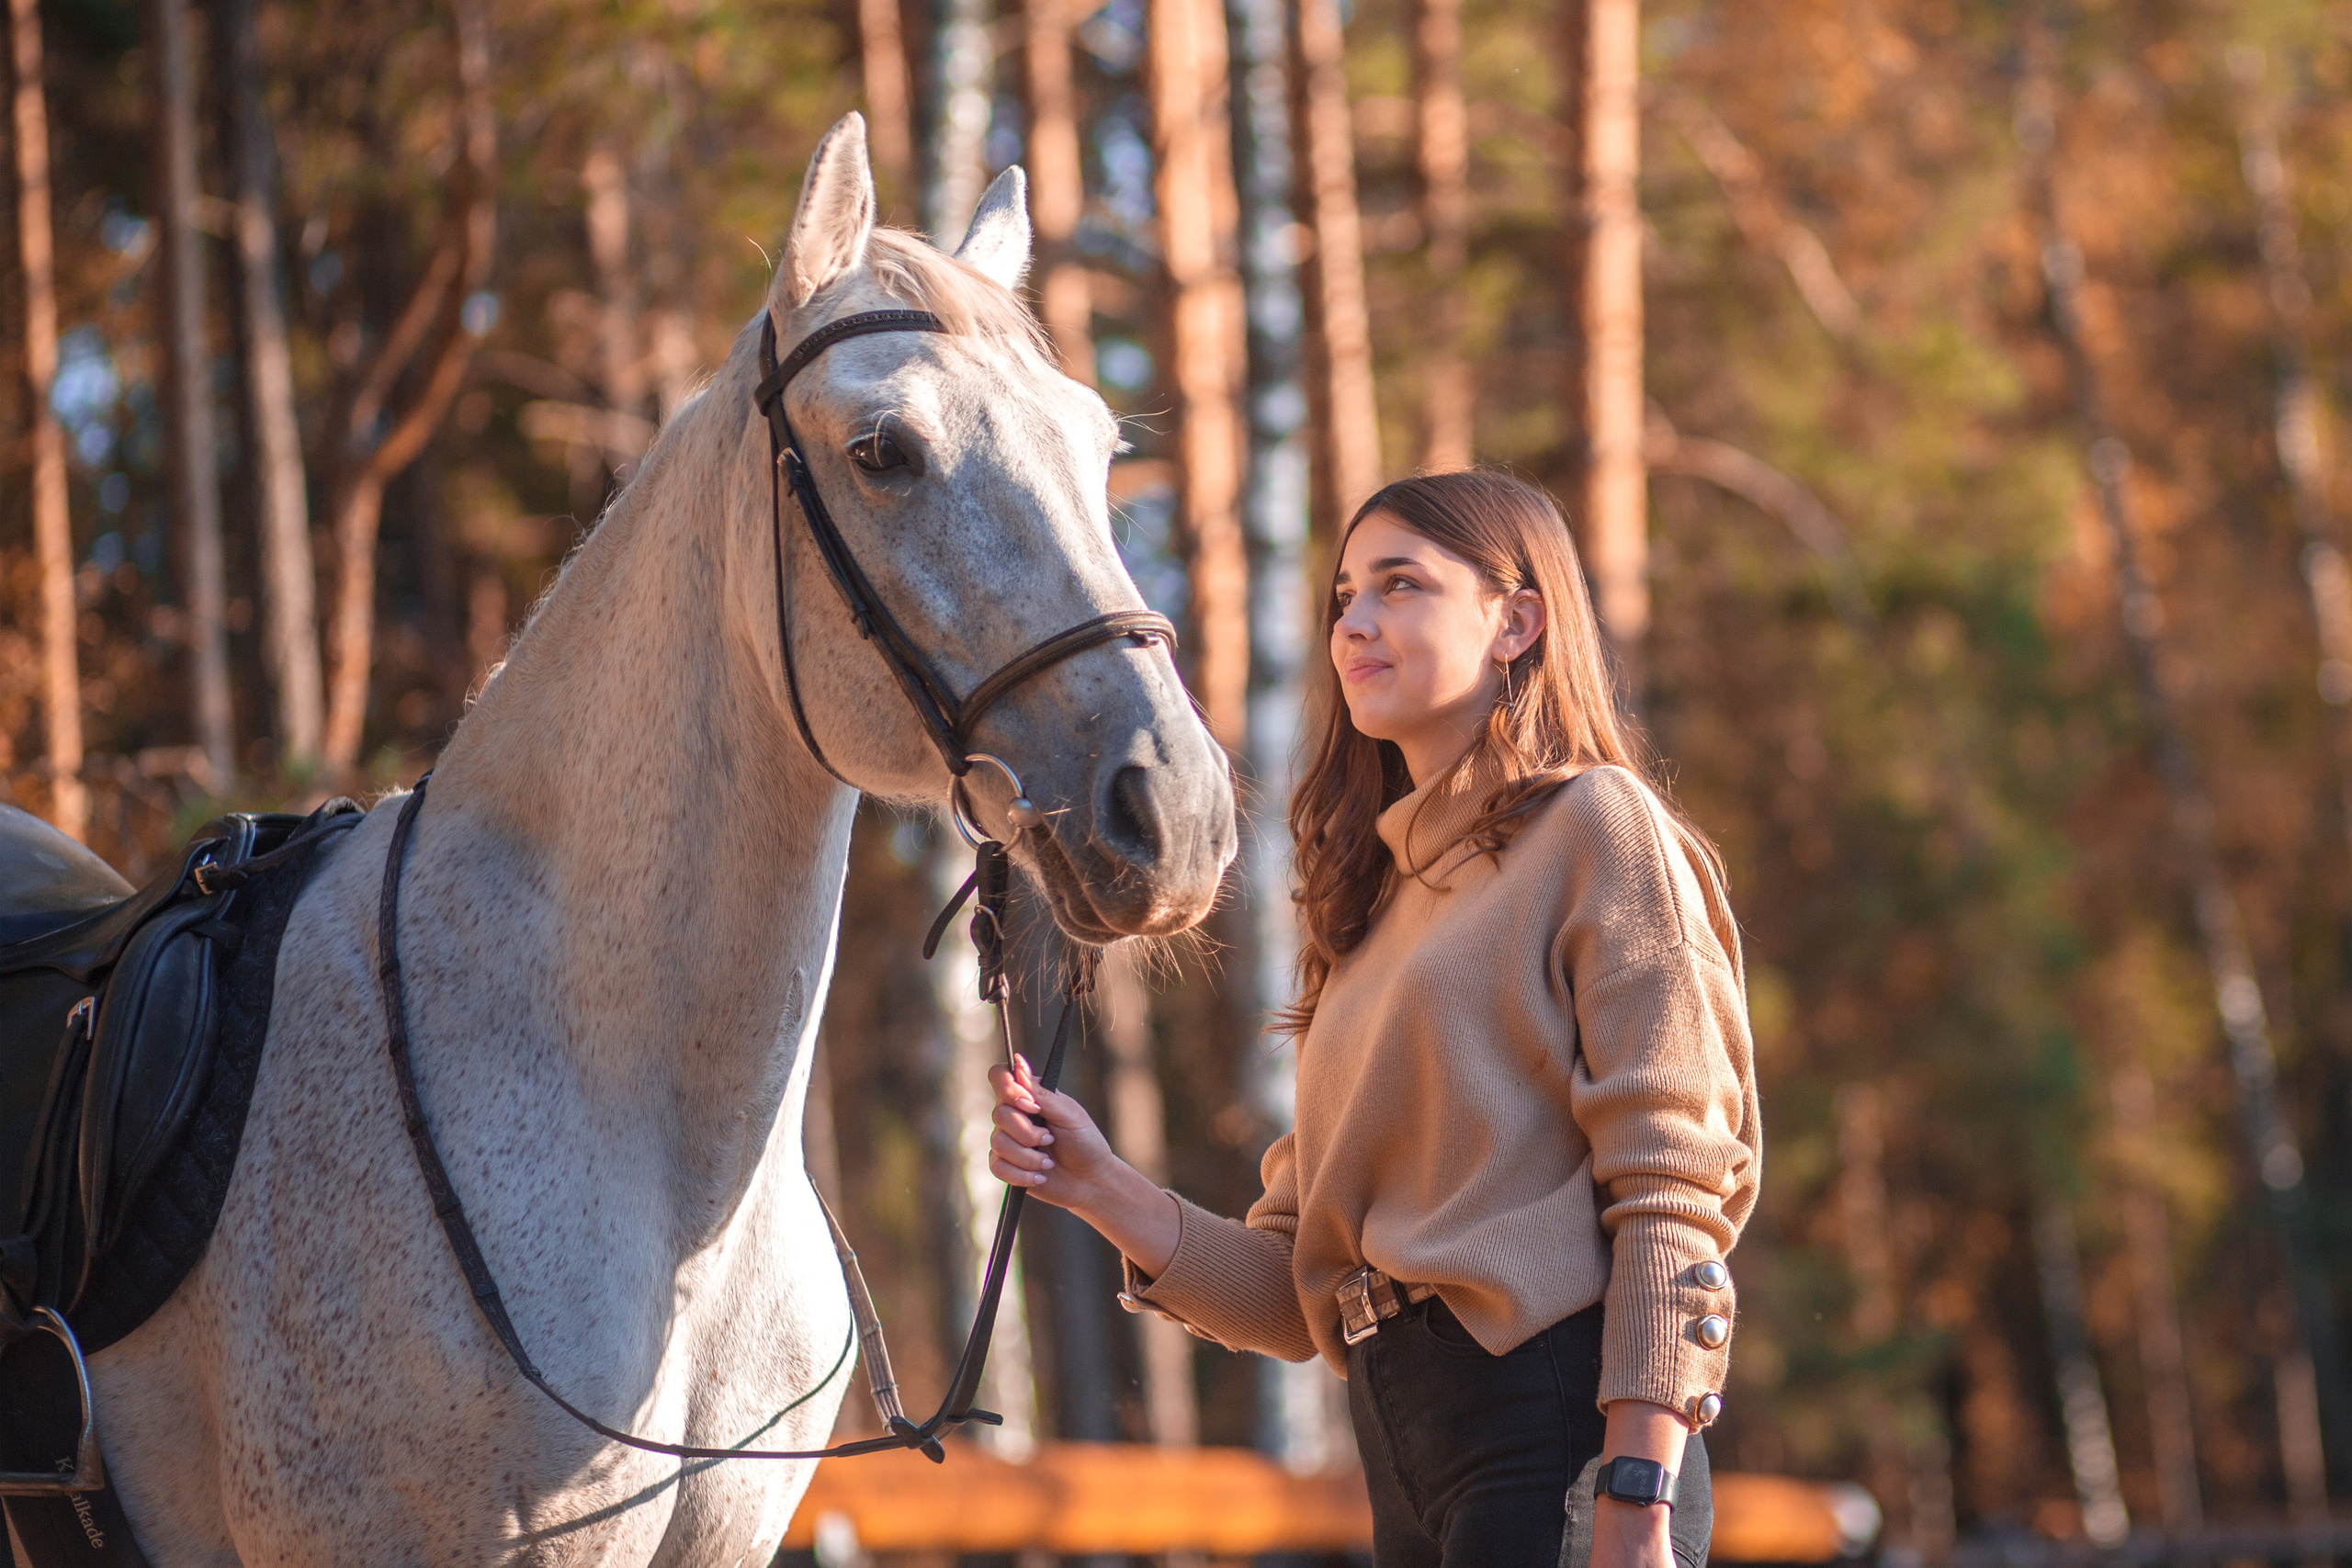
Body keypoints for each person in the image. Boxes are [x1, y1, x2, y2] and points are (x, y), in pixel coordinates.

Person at [989, 468, 1760, 1568]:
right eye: (1344, 595)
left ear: (1515, 620)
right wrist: (1099, 1185)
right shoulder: (1370, 914)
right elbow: (1292, 1289)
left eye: (1399, 585)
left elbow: (1675, 1186)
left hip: (1559, 1434)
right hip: (1403, 1454)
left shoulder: (1597, 828)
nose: (1354, 620)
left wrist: (1633, 1492)